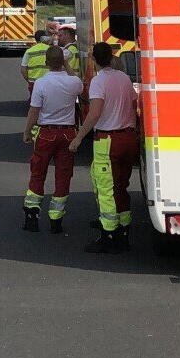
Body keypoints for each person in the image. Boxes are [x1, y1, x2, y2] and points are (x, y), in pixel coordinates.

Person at [70, 42, 140, 254]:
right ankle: (124, 231)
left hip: (108, 140)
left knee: (106, 190)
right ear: (111, 57)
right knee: (121, 187)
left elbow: (95, 112)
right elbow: (133, 103)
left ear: (93, 59)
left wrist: (79, 138)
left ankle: (109, 236)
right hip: (128, 137)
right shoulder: (124, 77)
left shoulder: (99, 82)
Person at [23, 45, 83, 234]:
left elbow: (34, 111)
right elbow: (79, 84)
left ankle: (32, 217)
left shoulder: (41, 83)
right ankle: (56, 221)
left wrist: (26, 132)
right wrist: (67, 65)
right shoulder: (73, 82)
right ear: (63, 62)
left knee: (38, 172)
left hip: (46, 133)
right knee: (63, 176)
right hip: (68, 134)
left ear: (46, 63)